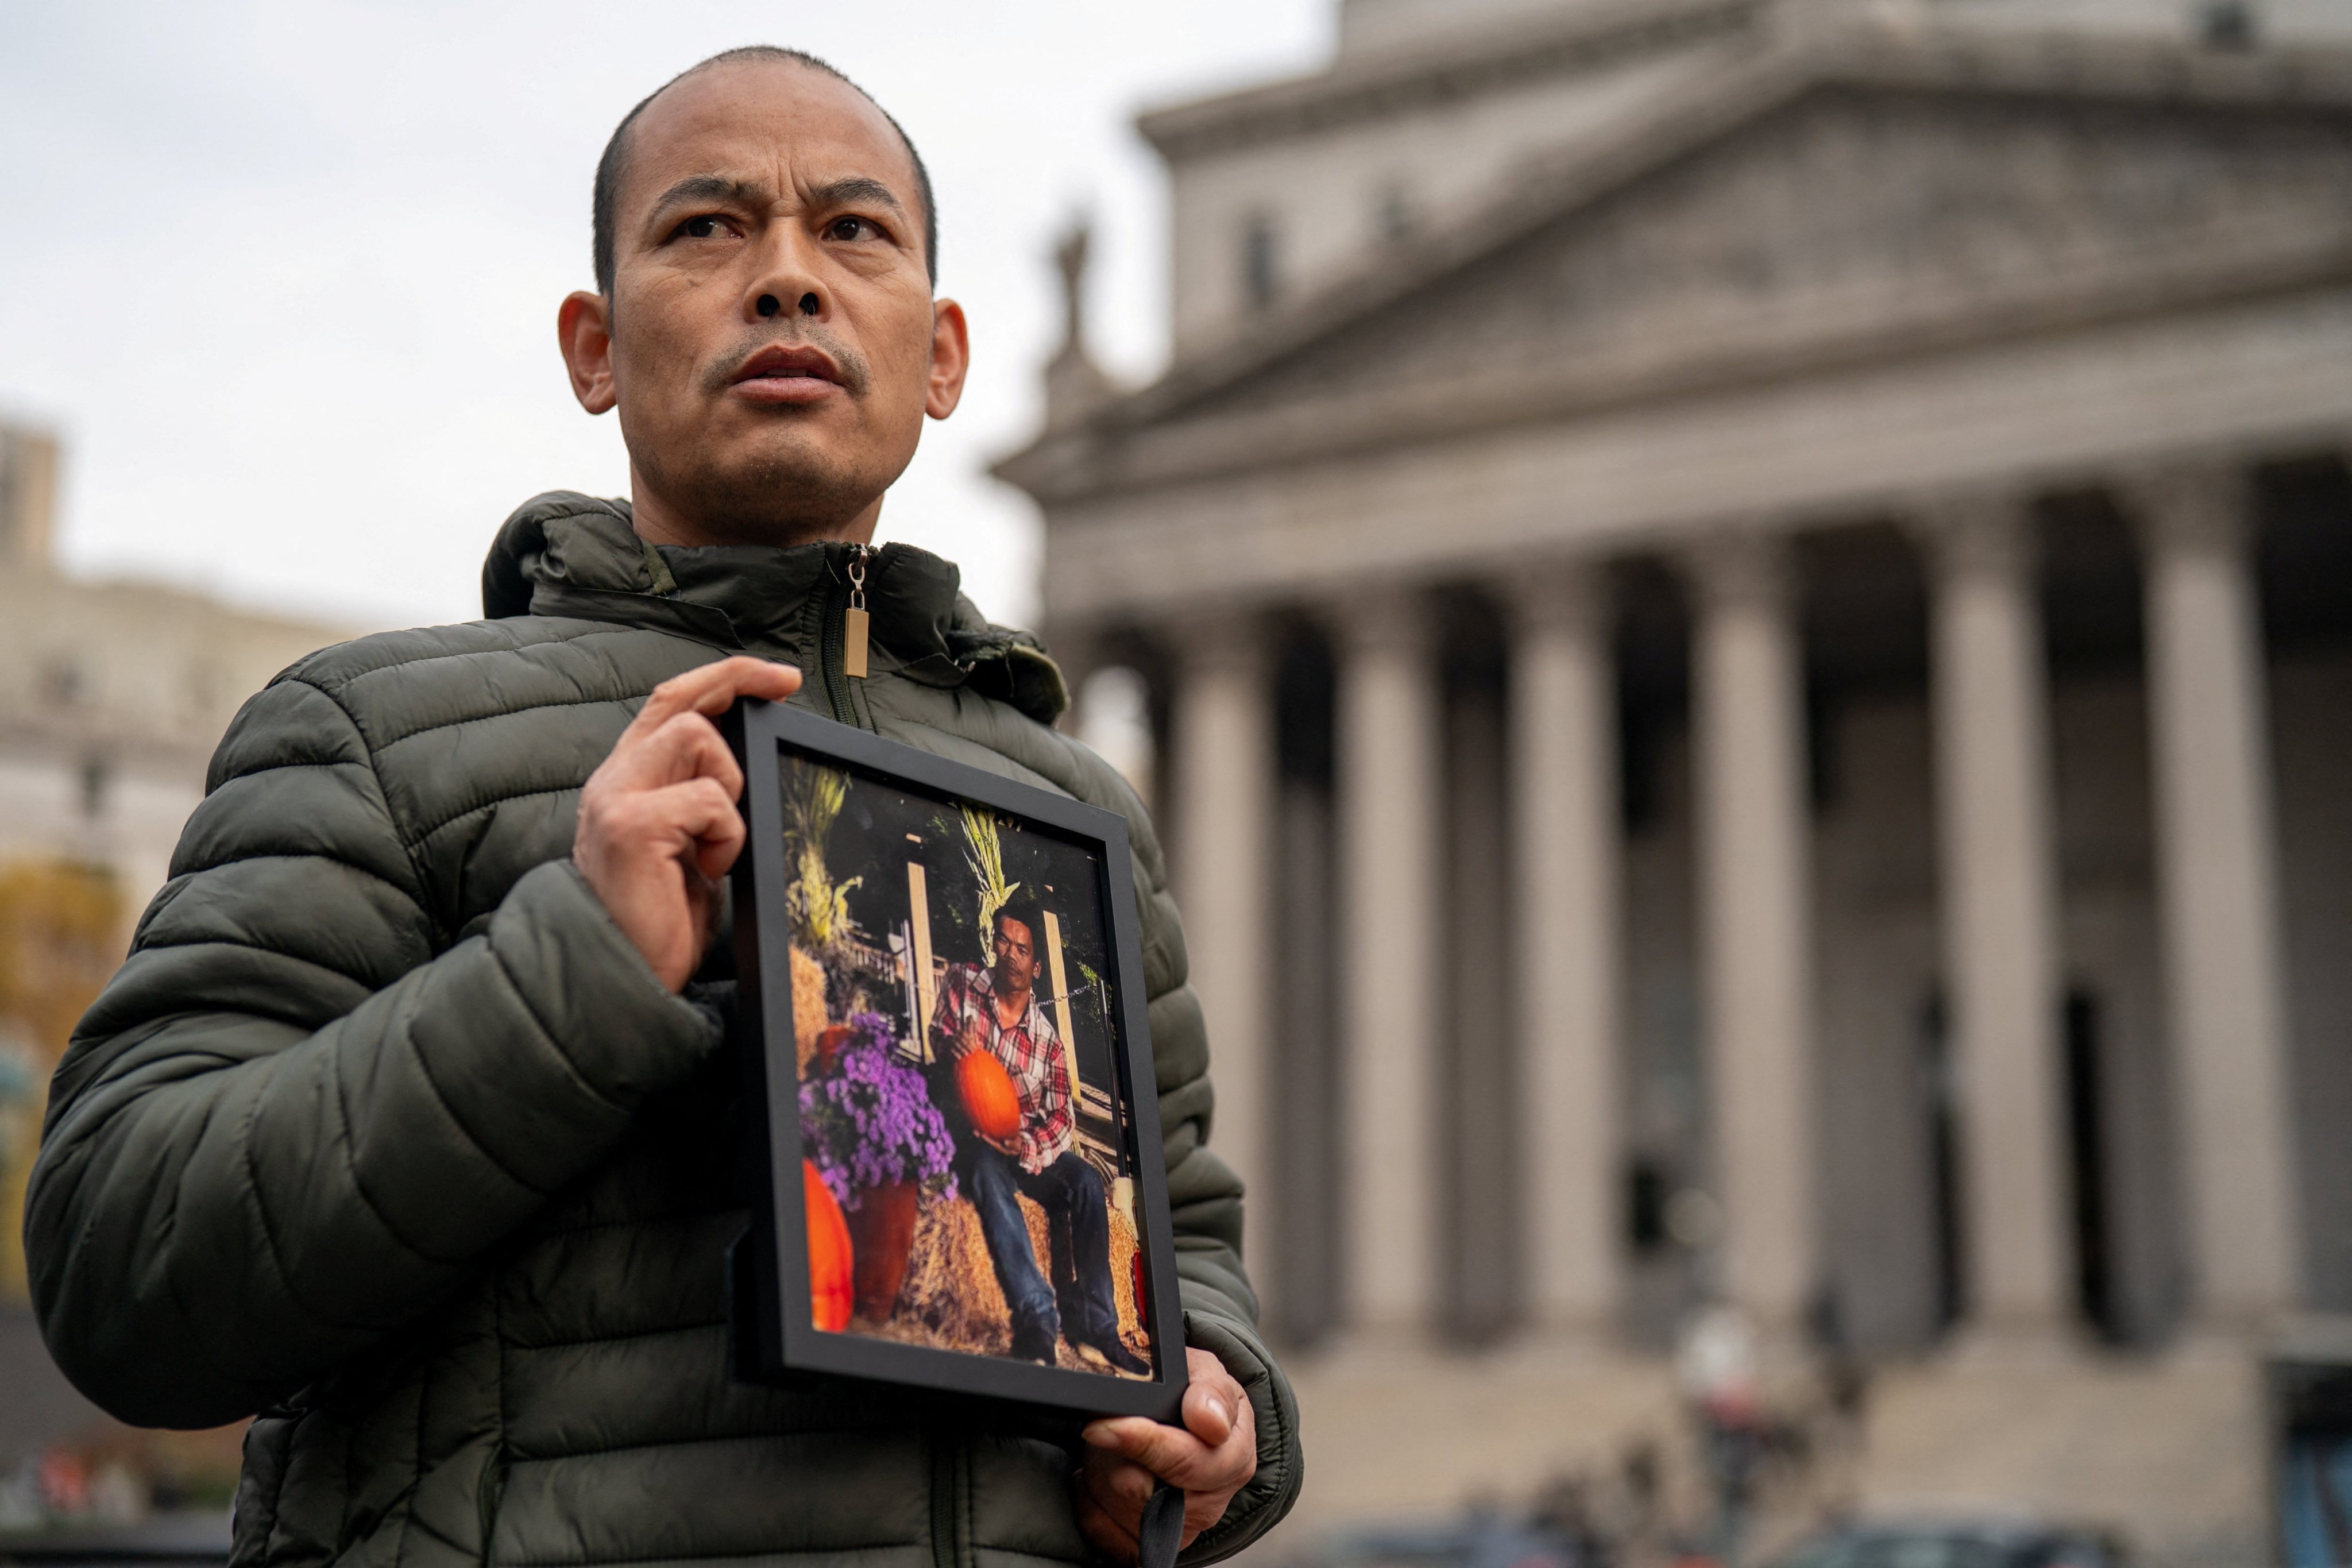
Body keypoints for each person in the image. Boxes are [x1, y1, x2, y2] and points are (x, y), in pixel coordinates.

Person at [25, 45, 1299, 1568]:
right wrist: (571, 969)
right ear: (595, 348)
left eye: (853, 230)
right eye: (706, 227)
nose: (788, 277)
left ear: (942, 355)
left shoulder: (1070, 811)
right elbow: (122, 1269)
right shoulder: (371, 736)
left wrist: (1217, 1419)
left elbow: (1186, 1243)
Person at [933, 899, 1145, 1373]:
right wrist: (952, 1047)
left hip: (1027, 1145)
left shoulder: (1047, 1040)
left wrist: (1025, 1147)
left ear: (1036, 966)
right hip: (975, 1138)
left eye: (1022, 948)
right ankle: (1037, 1321)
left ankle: (1099, 1329)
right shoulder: (964, 984)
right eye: (1003, 942)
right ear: (994, 945)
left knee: (1086, 1181)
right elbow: (938, 1034)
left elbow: (1062, 1119)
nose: (1010, 954)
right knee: (985, 1173)